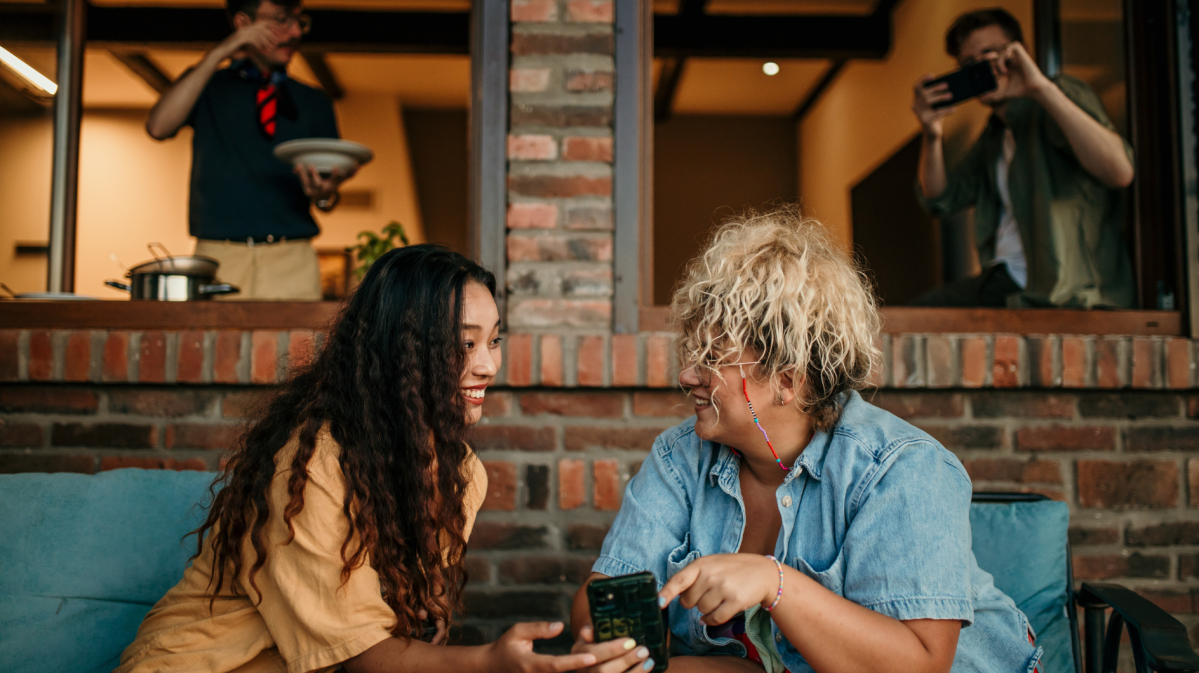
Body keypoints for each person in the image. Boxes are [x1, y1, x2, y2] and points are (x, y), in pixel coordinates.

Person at [569, 208, 1041, 673]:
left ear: (787, 381)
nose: (687, 375)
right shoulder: (680, 458)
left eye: (713, 357)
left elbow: (917, 664)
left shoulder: (901, 468)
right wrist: (619, 649)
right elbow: (603, 599)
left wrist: (774, 583)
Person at [117, 246, 599, 673]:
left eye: (493, 340)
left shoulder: (461, 473)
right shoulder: (310, 468)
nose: (489, 365)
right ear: (402, 352)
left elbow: (410, 634)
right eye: (464, 344)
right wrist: (489, 663)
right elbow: (361, 654)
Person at [912, 8, 1134, 308]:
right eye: (968, 65)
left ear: (1020, 53)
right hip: (1010, 283)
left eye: (990, 55)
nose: (981, 70)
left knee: (920, 315)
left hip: (1066, 292)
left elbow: (1119, 171)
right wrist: (932, 134)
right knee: (912, 318)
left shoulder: (1057, 96)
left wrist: (1041, 88)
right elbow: (939, 197)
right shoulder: (994, 136)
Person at [146, 0, 354, 300]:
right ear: (244, 24)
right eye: (282, 19)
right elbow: (158, 127)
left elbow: (328, 196)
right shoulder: (207, 86)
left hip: (292, 258)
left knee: (297, 348)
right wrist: (220, 52)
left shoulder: (315, 101)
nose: (295, 31)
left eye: (300, 21)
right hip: (219, 256)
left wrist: (324, 195)